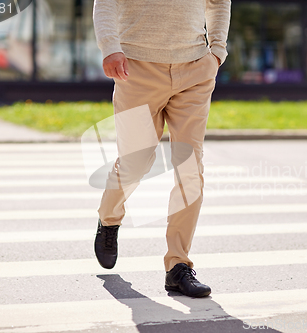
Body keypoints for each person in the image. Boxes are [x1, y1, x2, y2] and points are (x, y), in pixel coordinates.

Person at [92, 0, 231, 298]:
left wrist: (217, 51)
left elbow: (218, 2)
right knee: (135, 163)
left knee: (190, 168)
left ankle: (178, 265)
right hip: (135, 69)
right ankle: (109, 218)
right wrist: (110, 47)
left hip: (195, 69)